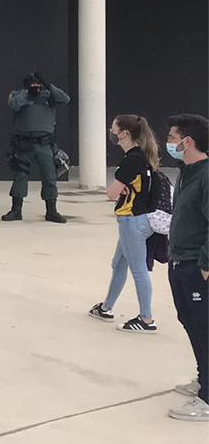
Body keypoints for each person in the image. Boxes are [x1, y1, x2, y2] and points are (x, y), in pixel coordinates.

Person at [88, 115, 161, 334]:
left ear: (124, 133)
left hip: (132, 220)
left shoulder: (130, 161)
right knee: (119, 263)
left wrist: (122, 190)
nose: (111, 132)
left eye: (114, 129)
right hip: (141, 219)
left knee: (138, 270)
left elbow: (112, 193)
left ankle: (146, 319)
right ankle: (106, 307)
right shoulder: (145, 156)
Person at [164, 114, 209, 421]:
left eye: (171, 137)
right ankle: (204, 378)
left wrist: (205, 264)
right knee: (189, 320)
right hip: (178, 260)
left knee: (204, 328)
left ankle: (207, 398)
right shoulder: (185, 172)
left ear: (187, 141)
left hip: (197, 265)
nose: (168, 143)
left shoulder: (206, 175)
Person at [3, 72, 71, 223]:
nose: (36, 87)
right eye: (33, 84)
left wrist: (48, 85)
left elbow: (65, 99)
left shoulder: (49, 96)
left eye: (38, 84)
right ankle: (16, 210)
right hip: (24, 144)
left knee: (49, 177)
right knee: (20, 177)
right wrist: (26, 91)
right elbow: (14, 105)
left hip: (45, 144)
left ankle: (51, 211)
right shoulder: (18, 95)